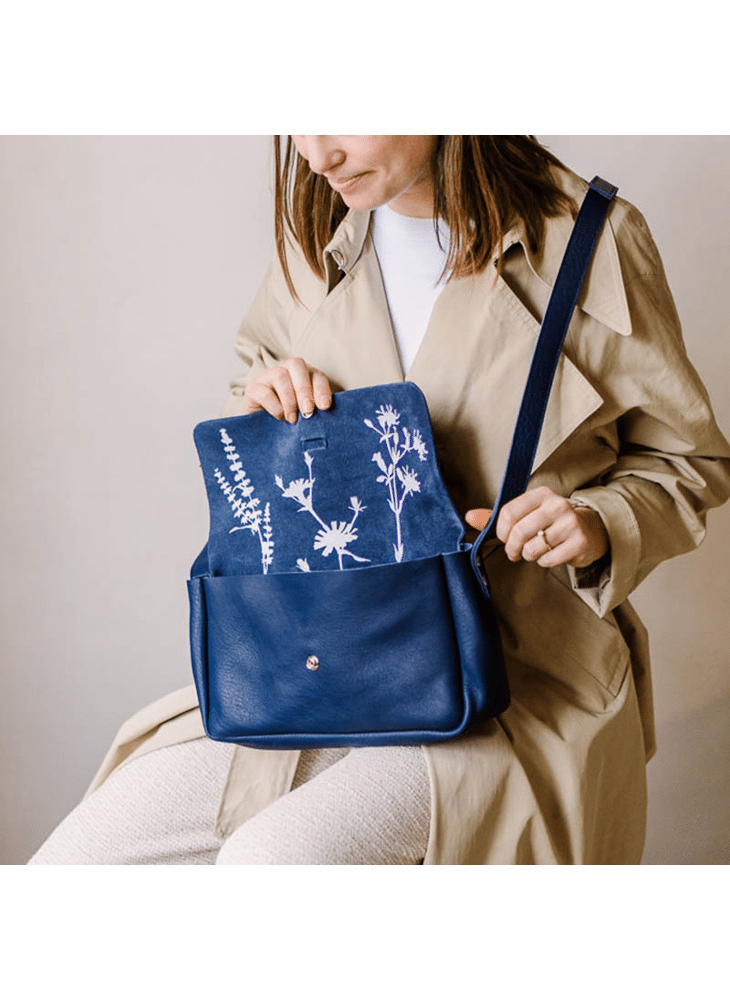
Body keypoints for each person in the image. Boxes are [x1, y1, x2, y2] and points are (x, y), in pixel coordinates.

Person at [28, 135, 730, 865]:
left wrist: (594, 523)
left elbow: (686, 460)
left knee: (274, 860)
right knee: (75, 860)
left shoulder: (588, 237)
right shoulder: (318, 233)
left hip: (512, 676)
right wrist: (268, 405)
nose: (317, 155)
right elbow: (255, 384)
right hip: (313, 655)